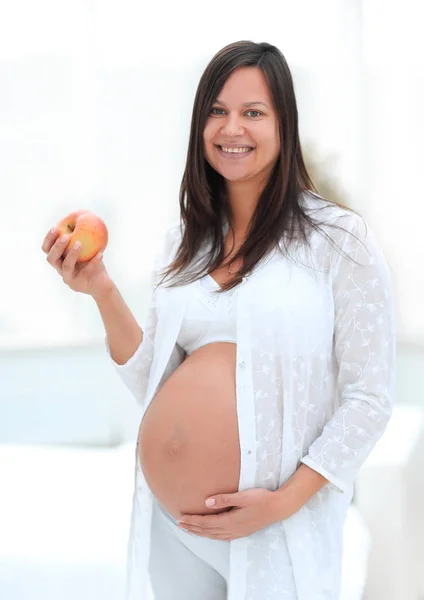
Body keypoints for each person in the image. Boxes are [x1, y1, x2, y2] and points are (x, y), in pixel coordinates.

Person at [41, 40, 396, 600]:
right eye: (217, 110)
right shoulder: (184, 243)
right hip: (177, 527)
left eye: (254, 112)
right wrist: (101, 290)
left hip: (277, 527)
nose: (233, 128)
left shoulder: (337, 240)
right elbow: (156, 383)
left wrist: (282, 503)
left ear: (284, 125)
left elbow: (370, 398)